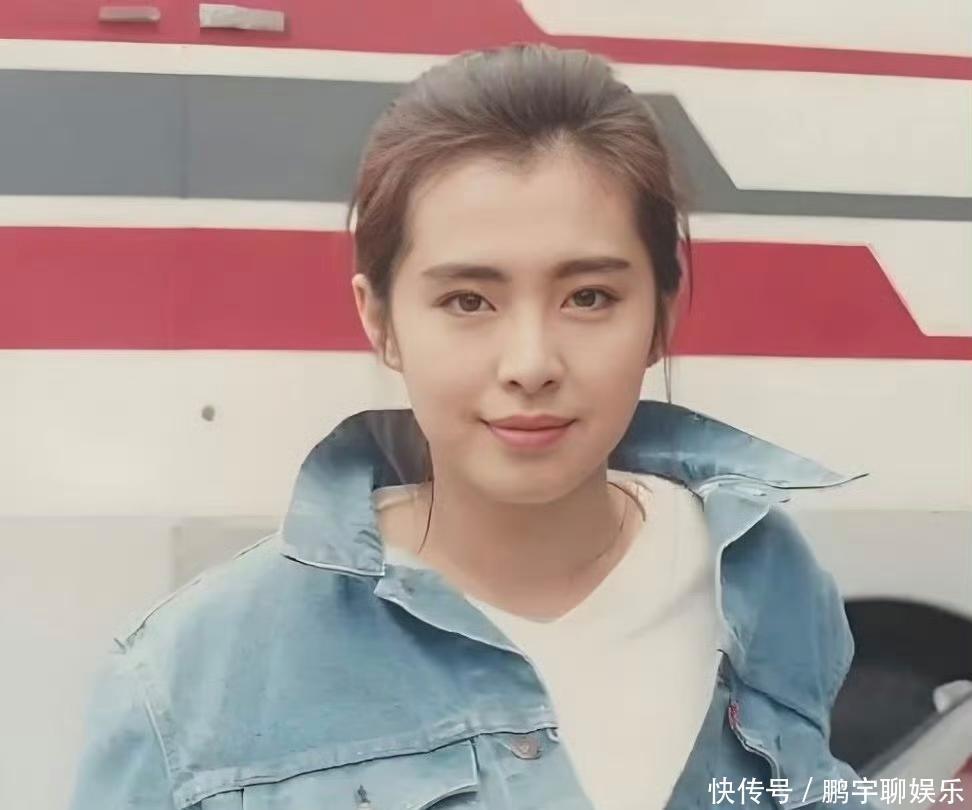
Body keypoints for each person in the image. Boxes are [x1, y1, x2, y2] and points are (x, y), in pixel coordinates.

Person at [68, 43, 880, 810]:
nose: (530, 363)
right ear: (380, 321)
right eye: (468, 301)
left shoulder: (763, 575)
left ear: (662, 315)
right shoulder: (185, 686)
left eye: (589, 297)